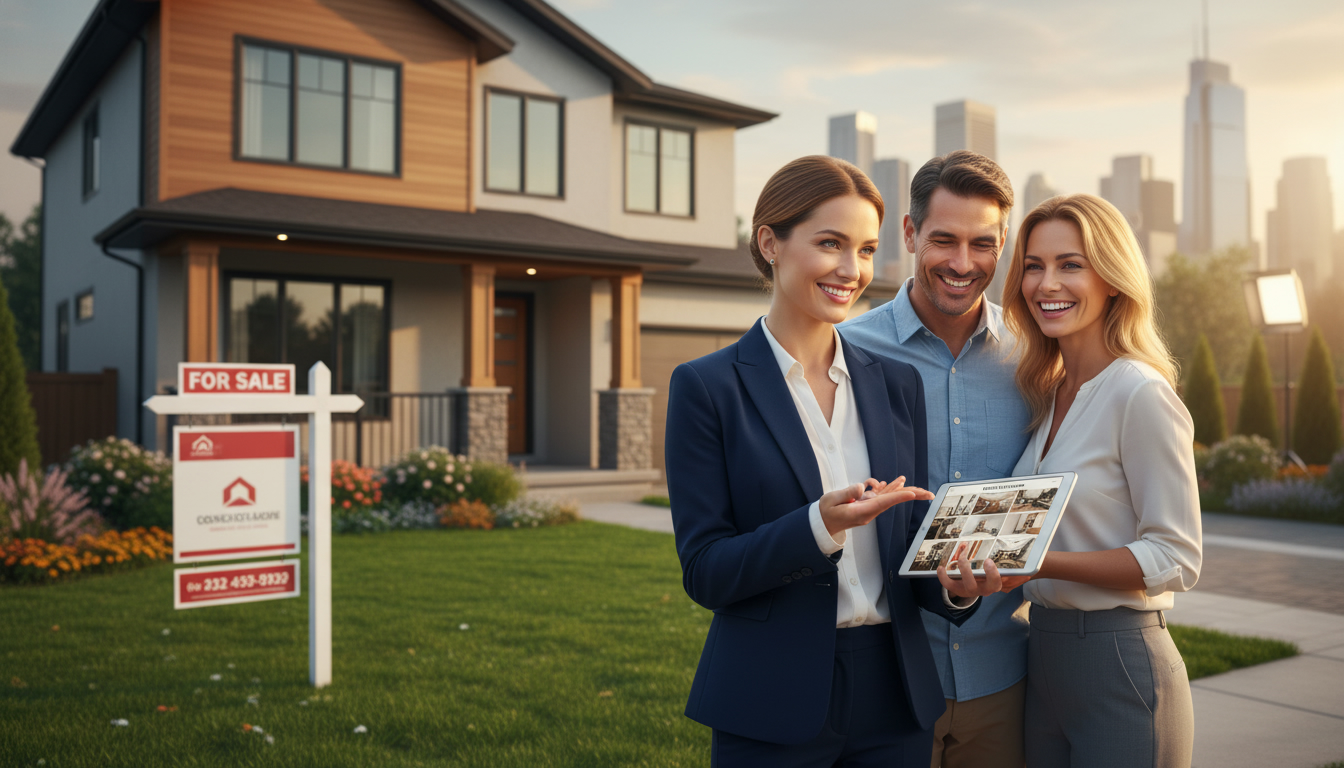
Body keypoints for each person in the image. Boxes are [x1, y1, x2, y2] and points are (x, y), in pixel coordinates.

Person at [665, 155, 1004, 767]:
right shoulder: (707, 388)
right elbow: (706, 571)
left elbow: (906, 553)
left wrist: (953, 587)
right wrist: (818, 526)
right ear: (770, 242)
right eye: (831, 244)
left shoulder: (895, 384)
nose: (852, 271)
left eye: (867, 250)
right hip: (769, 697)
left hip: (895, 697)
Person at [840, 150, 1033, 768]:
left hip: (1003, 675)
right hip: (885, 678)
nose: (962, 262)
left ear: (1002, 243)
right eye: (944, 240)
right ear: (909, 233)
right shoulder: (844, 350)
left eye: (983, 243)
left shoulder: (1035, 361)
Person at [997, 193, 1202, 767]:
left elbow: (1176, 557)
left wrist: (1037, 563)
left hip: (1120, 662)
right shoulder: (1045, 394)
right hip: (1042, 657)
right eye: (1034, 266)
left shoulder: (1139, 391)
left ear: (1111, 279)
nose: (1046, 283)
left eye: (1071, 264)